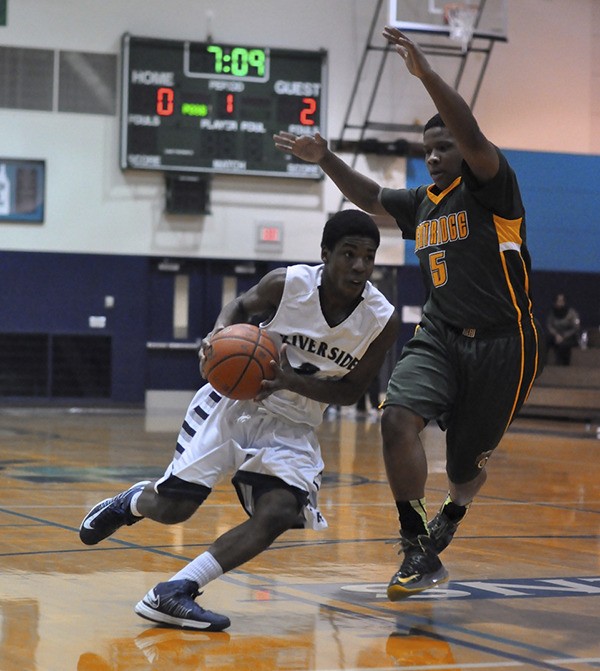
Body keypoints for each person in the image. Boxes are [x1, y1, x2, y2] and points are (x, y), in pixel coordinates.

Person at [274, 26, 543, 600]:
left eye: (441, 148)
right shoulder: (422, 204)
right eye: (427, 151)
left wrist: (426, 77)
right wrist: (326, 160)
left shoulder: (495, 188)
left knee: (467, 467)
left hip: (505, 343)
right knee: (396, 418)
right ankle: (417, 547)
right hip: (442, 334)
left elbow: (470, 133)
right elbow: (369, 196)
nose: (433, 157)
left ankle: (456, 507)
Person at [79, 209, 399, 630]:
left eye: (368, 257)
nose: (359, 266)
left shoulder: (381, 318)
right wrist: (217, 335)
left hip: (294, 423)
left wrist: (286, 381)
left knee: (281, 510)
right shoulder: (288, 285)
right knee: (175, 509)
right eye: (348, 254)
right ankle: (133, 501)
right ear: (325, 254)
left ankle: (174, 590)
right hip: (233, 403)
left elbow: (350, 391)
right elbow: (239, 306)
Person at [546, 292, 580, 365]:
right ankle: (543, 364)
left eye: (562, 301)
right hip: (556, 335)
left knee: (564, 346)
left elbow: (576, 327)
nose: (560, 303)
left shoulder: (572, 313)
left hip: (569, 336)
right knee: (545, 340)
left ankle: (563, 366)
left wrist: (564, 336)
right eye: (558, 301)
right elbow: (549, 325)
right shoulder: (552, 313)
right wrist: (556, 335)